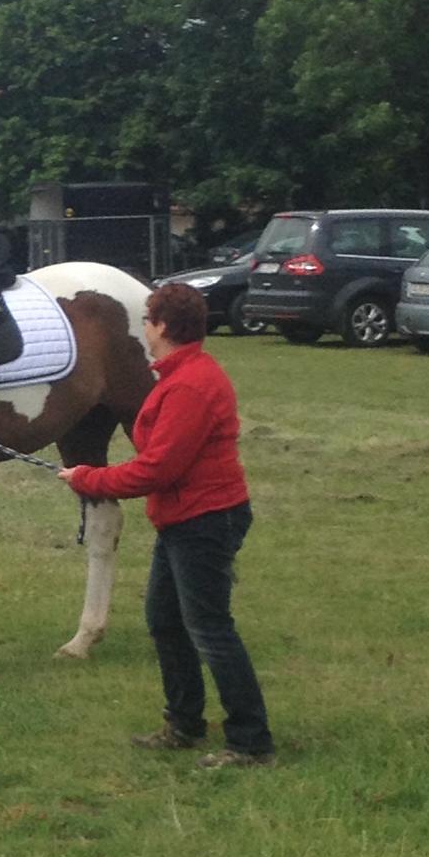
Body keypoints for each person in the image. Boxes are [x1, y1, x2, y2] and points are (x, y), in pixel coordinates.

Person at [58, 281, 274, 769]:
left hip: (206, 520)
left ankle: (250, 740)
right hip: (183, 518)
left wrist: (89, 478)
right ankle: (184, 723)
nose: (145, 331)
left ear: (163, 327)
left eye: (148, 322)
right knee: (165, 619)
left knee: (210, 628)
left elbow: (158, 468)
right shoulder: (178, 376)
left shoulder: (190, 386)